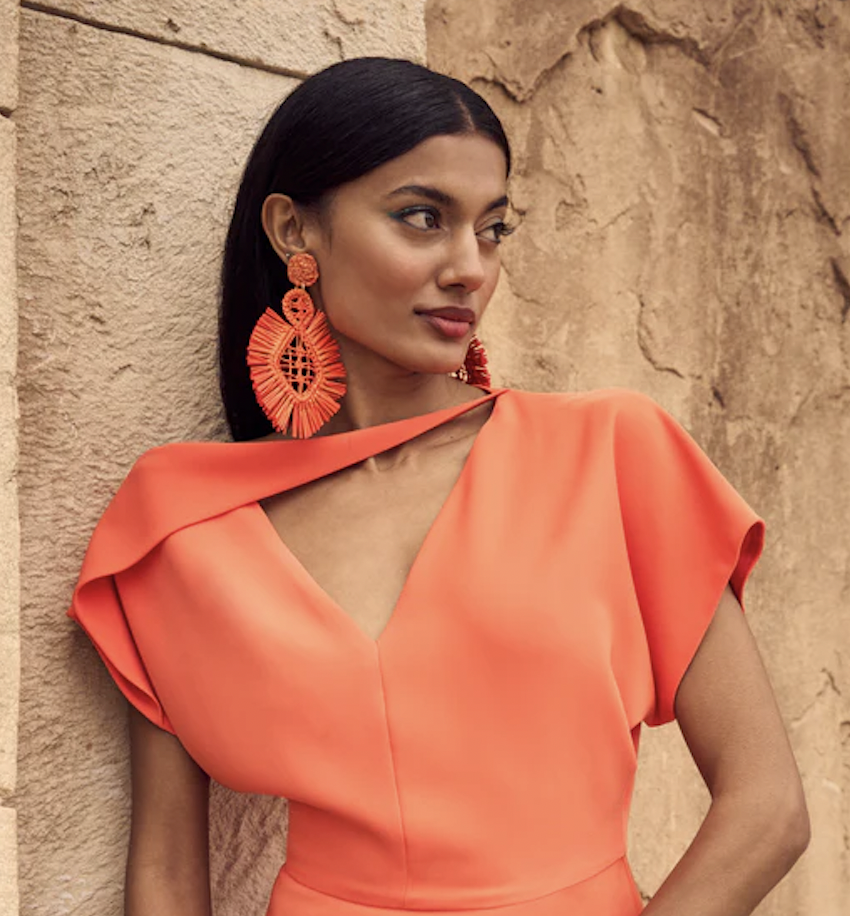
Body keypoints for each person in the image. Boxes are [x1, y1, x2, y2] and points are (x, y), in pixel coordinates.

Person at [68, 57, 809, 916]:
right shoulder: (181, 522)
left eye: (493, 230)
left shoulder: (609, 452)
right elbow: (163, 879)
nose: (471, 268)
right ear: (293, 231)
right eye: (423, 219)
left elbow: (767, 809)